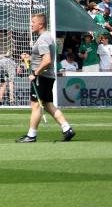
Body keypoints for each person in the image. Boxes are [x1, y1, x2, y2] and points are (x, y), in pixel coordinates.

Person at [17, 13, 74, 142]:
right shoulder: (47, 37)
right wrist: (29, 59)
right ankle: (67, 128)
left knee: (35, 105)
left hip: (41, 77)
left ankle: (31, 135)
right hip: (47, 76)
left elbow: (47, 60)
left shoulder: (43, 39)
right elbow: (42, 58)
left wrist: (35, 73)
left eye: (33, 22)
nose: (30, 24)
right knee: (48, 104)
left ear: (40, 24)